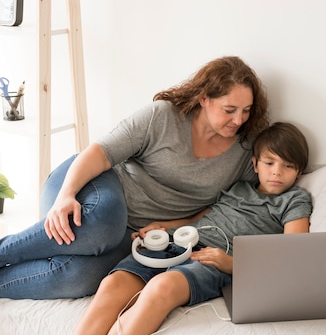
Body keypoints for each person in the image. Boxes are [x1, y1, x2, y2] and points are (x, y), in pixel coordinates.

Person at [0, 121, 312, 335]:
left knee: (159, 291)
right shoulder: (239, 188)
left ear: (299, 172)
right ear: (255, 163)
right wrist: (162, 227)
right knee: (113, 285)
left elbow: (288, 261)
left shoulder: (293, 201)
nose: (277, 172)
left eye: (288, 166)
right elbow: (202, 217)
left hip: (213, 261)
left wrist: (229, 263)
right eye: (269, 163)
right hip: (176, 243)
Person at [0, 56, 269, 299]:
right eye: (229, 109)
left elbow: (248, 198)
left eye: (246, 110)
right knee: (105, 223)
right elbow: (100, 153)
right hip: (91, 186)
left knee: (80, 278)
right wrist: (65, 196)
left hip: (134, 233)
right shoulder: (163, 117)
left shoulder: (245, 151)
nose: (239, 119)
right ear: (204, 98)